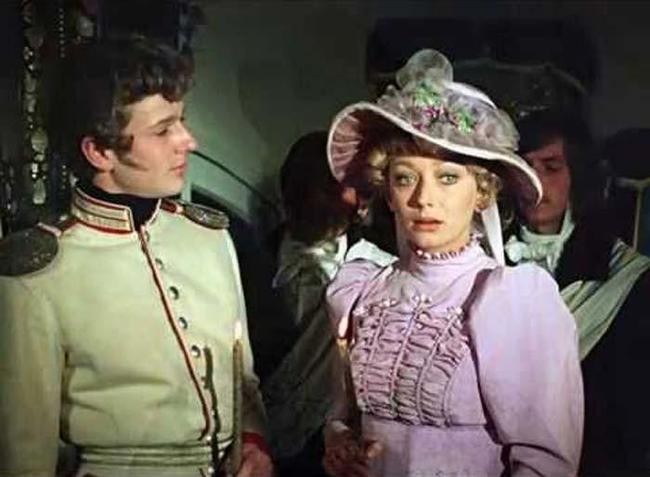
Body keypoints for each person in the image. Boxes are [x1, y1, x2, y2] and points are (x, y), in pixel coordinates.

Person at [0, 35, 273, 477]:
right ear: (99, 151)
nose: (188, 141)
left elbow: (243, 381)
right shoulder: (39, 274)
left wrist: (255, 446)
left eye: (182, 121)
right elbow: (25, 454)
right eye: (163, 130)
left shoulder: (209, 238)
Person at [321, 49, 583, 477]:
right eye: (405, 178)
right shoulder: (362, 289)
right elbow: (342, 415)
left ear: (481, 192)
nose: (424, 199)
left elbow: (546, 462)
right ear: (388, 193)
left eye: (447, 178)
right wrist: (339, 446)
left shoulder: (509, 299)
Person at [505, 108, 650, 475]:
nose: (535, 182)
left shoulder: (623, 275)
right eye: (524, 168)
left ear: (578, 175)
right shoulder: (486, 260)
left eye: (551, 167)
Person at [262, 131, 395, 477]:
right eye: (318, 186)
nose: (334, 197)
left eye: (343, 187)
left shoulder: (379, 273)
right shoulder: (248, 259)